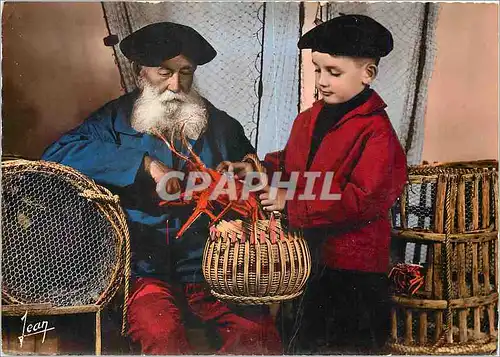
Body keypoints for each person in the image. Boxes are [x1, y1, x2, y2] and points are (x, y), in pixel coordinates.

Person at [42, 22, 281, 355]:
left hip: (214, 271)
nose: (175, 85)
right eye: (163, 72)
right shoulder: (113, 120)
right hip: (143, 274)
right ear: (142, 72)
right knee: (162, 335)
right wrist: (144, 165)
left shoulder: (222, 125)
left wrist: (247, 190)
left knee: (258, 334)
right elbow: (56, 155)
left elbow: (257, 180)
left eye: (185, 73)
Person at [222, 14, 408, 354]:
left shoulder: (378, 134)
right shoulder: (307, 120)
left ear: (368, 74)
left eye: (333, 73)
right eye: (317, 70)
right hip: (306, 262)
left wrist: (291, 203)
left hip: (355, 274)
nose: (321, 81)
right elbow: (291, 165)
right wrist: (258, 169)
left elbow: (363, 199)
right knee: (298, 343)